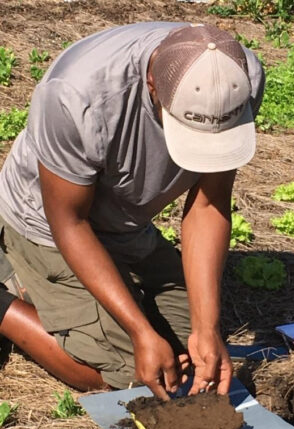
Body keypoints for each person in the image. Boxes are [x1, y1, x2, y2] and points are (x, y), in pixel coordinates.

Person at [0, 22, 265, 400]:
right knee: (131, 372)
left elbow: (209, 202)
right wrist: (140, 332)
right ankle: (5, 299)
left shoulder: (237, 80)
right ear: (153, 86)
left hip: (125, 226)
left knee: (185, 355)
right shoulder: (77, 97)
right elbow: (69, 223)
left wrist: (206, 328)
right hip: (44, 225)